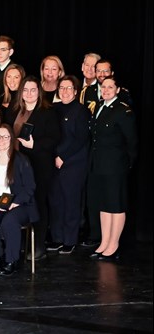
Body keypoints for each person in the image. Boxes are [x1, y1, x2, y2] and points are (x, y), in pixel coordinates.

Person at [4, 76, 61, 261]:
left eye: (33, 90)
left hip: (39, 165)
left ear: (39, 92)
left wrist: (35, 145)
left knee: (38, 203)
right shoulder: (13, 110)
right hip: (15, 164)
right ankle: (19, 243)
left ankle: (38, 245)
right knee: (17, 201)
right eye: (26, 90)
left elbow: (54, 138)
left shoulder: (48, 111)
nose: (29, 93)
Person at [86, 76, 137, 262]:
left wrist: (126, 164)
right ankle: (105, 242)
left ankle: (114, 244)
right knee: (104, 204)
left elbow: (131, 141)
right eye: (103, 87)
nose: (106, 90)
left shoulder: (123, 111)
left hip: (115, 166)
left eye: (110, 87)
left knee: (116, 204)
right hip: (99, 164)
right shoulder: (100, 107)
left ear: (117, 90)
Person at [0, 124, 38, 276]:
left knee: (9, 221)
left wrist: (14, 203)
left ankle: (11, 260)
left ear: (11, 139)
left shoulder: (21, 160)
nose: (1, 140)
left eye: (5, 137)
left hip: (19, 203)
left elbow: (30, 187)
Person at [48, 76, 90, 255]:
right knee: (55, 201)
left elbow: (81, 138)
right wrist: (54, 156)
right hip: (54, 162)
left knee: (71, 202)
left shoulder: (81, 111)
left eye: (68, 88)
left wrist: (62, 157)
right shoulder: (53, 109)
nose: (64, 91)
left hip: (73, 163)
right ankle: (57, 238)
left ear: (75, 91)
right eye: (61, 88)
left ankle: (69, 240)